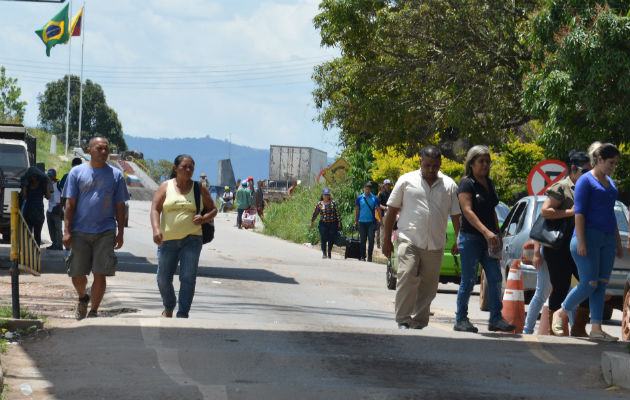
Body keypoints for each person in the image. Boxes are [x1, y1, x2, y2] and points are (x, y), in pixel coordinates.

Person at [382, 146, 461, 329]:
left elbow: (457, 216)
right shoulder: (406, 181)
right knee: (407, 274)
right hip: (408, 239)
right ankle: (402, 318)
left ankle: (418, 321)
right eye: (427, 166)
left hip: (435, 243)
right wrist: (386, 240)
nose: (431, 170)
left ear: (440, 164)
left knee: (429, 285)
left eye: (435, 166)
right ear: (420, 162)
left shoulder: (449, 185)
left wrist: (459, 238)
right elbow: (392, 210)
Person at [552, 143, 623, 341]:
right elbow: (579, 213)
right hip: (587, 237)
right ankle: (562, 312)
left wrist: (617, 242)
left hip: (607, 238)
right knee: (589, 283)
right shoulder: (585, 181)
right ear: (599, 159)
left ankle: (597, 329)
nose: (613, 167)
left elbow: (611, 214)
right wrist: (581, 240)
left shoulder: (611, 183)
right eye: (610, 162)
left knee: (601, 284)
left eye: (615, 163)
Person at [62, 137, 129, 320]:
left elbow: (120, 207)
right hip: (79, 231)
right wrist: (67, 231)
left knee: (100, 272)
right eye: (99, 148)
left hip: (105, 230)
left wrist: (120, 233)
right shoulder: (76, 173)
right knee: (77, 273)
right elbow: (70, 204)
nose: (104, 152)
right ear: (89, 150)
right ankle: (83, 298)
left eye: (106, 149)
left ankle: (93, 311)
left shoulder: (116, 175)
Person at [454, 145, 515, 333]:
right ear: (471, 163)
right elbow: (467, 211)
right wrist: (485, 232)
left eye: (488, 161)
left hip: (490, 240)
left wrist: (497, 233)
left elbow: (492, 211)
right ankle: (461, 319)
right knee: (469, 279)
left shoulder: (490, 183)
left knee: (495, 277)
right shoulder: (466, 183)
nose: (485, 165)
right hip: (471, 238)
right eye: (481, 161)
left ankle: (496, 318)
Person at [150, 154, 217, 318]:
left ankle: (183, 314)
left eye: (191, 167)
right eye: (184, 167)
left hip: (192, 240)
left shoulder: (199, 188)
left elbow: (213, 209)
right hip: (167, 241)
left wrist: (204, 218)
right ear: (175, 168)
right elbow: (155, 209)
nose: (188, 170)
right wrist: (156, 229)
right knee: (163, 279)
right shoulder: (165, 187)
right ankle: (169, 305)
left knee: (188, 277)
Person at [536, 151, 592, 336]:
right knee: (560, 287)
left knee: (589, 284)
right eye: (585, 171)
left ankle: (579, 327)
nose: (589, 174)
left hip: (580, 244)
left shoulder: (591, 188)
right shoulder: (562, 187)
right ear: (573, 169)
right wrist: (570, 212)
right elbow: (545, 211)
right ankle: (553, 330)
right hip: (559, 247)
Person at [21, 169, 50, 246]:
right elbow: (24, 197)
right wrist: (24, 187)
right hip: (28, 211)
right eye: (31, 176)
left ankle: (37, 253)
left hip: (39, 213)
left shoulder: (42, 186)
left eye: (34, 176)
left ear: (38, 177)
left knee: (37, 234)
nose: (32, 177)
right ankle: (29, 252)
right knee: (28, 234)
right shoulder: (28, 185)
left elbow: (48, 197)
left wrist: (47, 185)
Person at [310, 188, 342, 259]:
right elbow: (315, 213)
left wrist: (339, 222)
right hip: (323, 224)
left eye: (327, 195)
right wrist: (312, 222)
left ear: (329, 196)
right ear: (322, 195)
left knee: (331, 238)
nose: (326, 196)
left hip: (332, 223)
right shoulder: (319, 204)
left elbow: (337, 213)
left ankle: (329, 251)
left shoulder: (333, 203)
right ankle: (324, 253)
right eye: (325, 195)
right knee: (323, 238)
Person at [354, 182, 380, 262]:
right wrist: (356, 221)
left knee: (371, 239)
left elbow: (378, 210)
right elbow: (357, 210)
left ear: (370, 189)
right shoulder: (360, 198)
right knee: (363, 240)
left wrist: (381, 221)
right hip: (361, 222)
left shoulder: (374, 198)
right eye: (366, 188)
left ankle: (369, 257)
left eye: (369, 189)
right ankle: (362, 256)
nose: (367, 190)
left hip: (371, 222)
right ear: (364, 188)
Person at [45, 169, 64, 250]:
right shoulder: (48, 184)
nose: (49, 178)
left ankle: (59, 245)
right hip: (49, 209)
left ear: (54, 176)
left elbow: (63, 195)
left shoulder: (59, 184)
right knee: (51, 228)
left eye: (50, 176)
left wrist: (61, 207)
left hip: (57, 209)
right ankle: (54, 243)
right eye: (48, 176)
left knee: (58, 228)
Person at [378, 179, 392, 249]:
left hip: (392, 214)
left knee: (392, 229)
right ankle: (382, 246)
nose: (387, 186)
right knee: (383, 229)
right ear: (384, 185)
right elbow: (378, 204)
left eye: (389, 184)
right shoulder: (381, 194)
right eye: (386, 185)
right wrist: (385, 208)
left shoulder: (393, 193)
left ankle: (391, 245)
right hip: (384, 214)